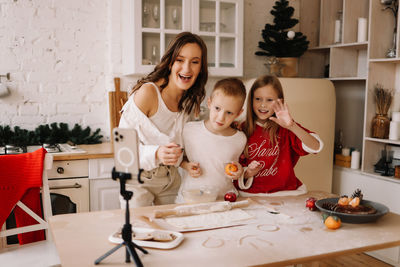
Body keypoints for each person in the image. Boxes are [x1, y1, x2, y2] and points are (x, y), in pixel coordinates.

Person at [118, 32, 208, 207]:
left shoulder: (189, 100)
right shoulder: (148, 93)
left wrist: (184, 163)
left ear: (201, 68)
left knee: (172, 231)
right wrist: (157, 153)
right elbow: (123, 151)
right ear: (170, 62)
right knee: (140, 232)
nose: (187, 68)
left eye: (195, 62)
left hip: (170, 179)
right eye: (180, 60)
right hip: (138, 180)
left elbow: (179, 141)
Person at [235, 75, 323, 196]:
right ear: (251, 100)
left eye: (269, 100)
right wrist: (249, 172)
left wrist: (291, 126)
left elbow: (316, 146)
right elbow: (234, 171)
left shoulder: (287, 127)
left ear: (279, 101)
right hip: (251, 194)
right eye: (258, 99)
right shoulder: (241, 129)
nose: (263, 105)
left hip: (286, 194)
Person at [177, 78, 250, 203]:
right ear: (209, 103)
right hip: (190, 199)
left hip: (224, 200)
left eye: (229, 113)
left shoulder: (239, 139)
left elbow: (236, 166)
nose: (221, 117)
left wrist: (239, 171)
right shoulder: (189, 130)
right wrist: (186, 166)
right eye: (217, 108)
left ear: (238, 113)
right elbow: (179, 159)